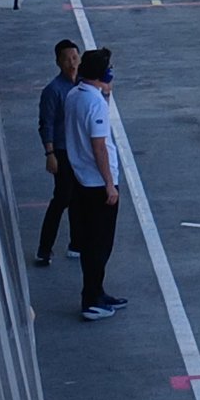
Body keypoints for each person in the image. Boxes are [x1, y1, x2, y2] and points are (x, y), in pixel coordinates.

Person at [65, 48, 126, 321]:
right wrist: (109, 184)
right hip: (98, 183)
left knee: (92, 241)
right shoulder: (94, 102)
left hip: (82, 179)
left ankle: (97, 292)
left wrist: (107, 94)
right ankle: (91, 298)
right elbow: (99, 146)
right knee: (100, 244)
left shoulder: (75, 95)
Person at [35, 39, 81, 265]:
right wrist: (50, 154)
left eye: (74, 58)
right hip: (62, 151)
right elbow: (47, 124)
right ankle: (44, 248)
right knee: (62, 198)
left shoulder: (83, 85)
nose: (71, 63)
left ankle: (76, 243)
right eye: (66, 59)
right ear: (58, 62)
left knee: (78, 197)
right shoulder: (53, 90)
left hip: (80, 150)